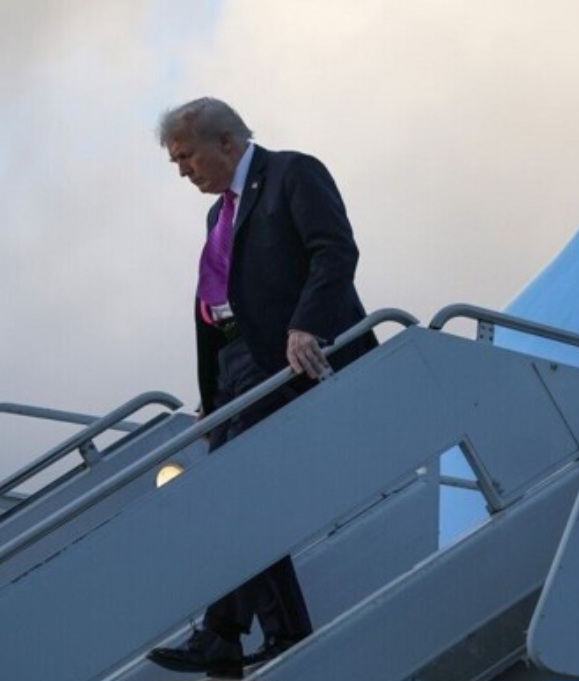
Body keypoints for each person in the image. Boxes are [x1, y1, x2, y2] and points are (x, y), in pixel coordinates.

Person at [146, 97, 376, 678]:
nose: (182, 171)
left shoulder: (292, 173)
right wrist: (213, 395)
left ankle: (224, 632)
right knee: (232, 495)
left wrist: (307, 325)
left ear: (226, 142)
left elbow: (335, 252)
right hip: (234, 365)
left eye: (186, 157)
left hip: (282, 354)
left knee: (234, 485)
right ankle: (277, 630)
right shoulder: (216, 214)